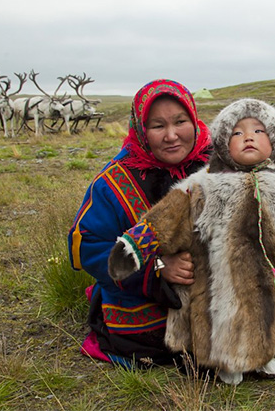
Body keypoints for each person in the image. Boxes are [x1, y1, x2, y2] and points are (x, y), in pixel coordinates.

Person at [107, 98, 275, 384]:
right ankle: (226, 362)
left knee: (272, 314)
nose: (248, 137)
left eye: (259, 131)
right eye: (237, 133)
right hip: (219, 280)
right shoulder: (203, 186)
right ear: (222, 143)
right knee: (223, 314)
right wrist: (134, 248)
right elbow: (167, 218)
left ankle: (263, 355)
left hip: (273, 281)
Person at [68, 79, 211, 367]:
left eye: (180, 121)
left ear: (194, 121)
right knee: (157, 340)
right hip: (143, 298)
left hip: (209, 289)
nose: (171, 135)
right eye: (157, 126)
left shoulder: (217, 165)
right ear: (141, 131)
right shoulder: (112, 183)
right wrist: (157, 269)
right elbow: (88, 248)